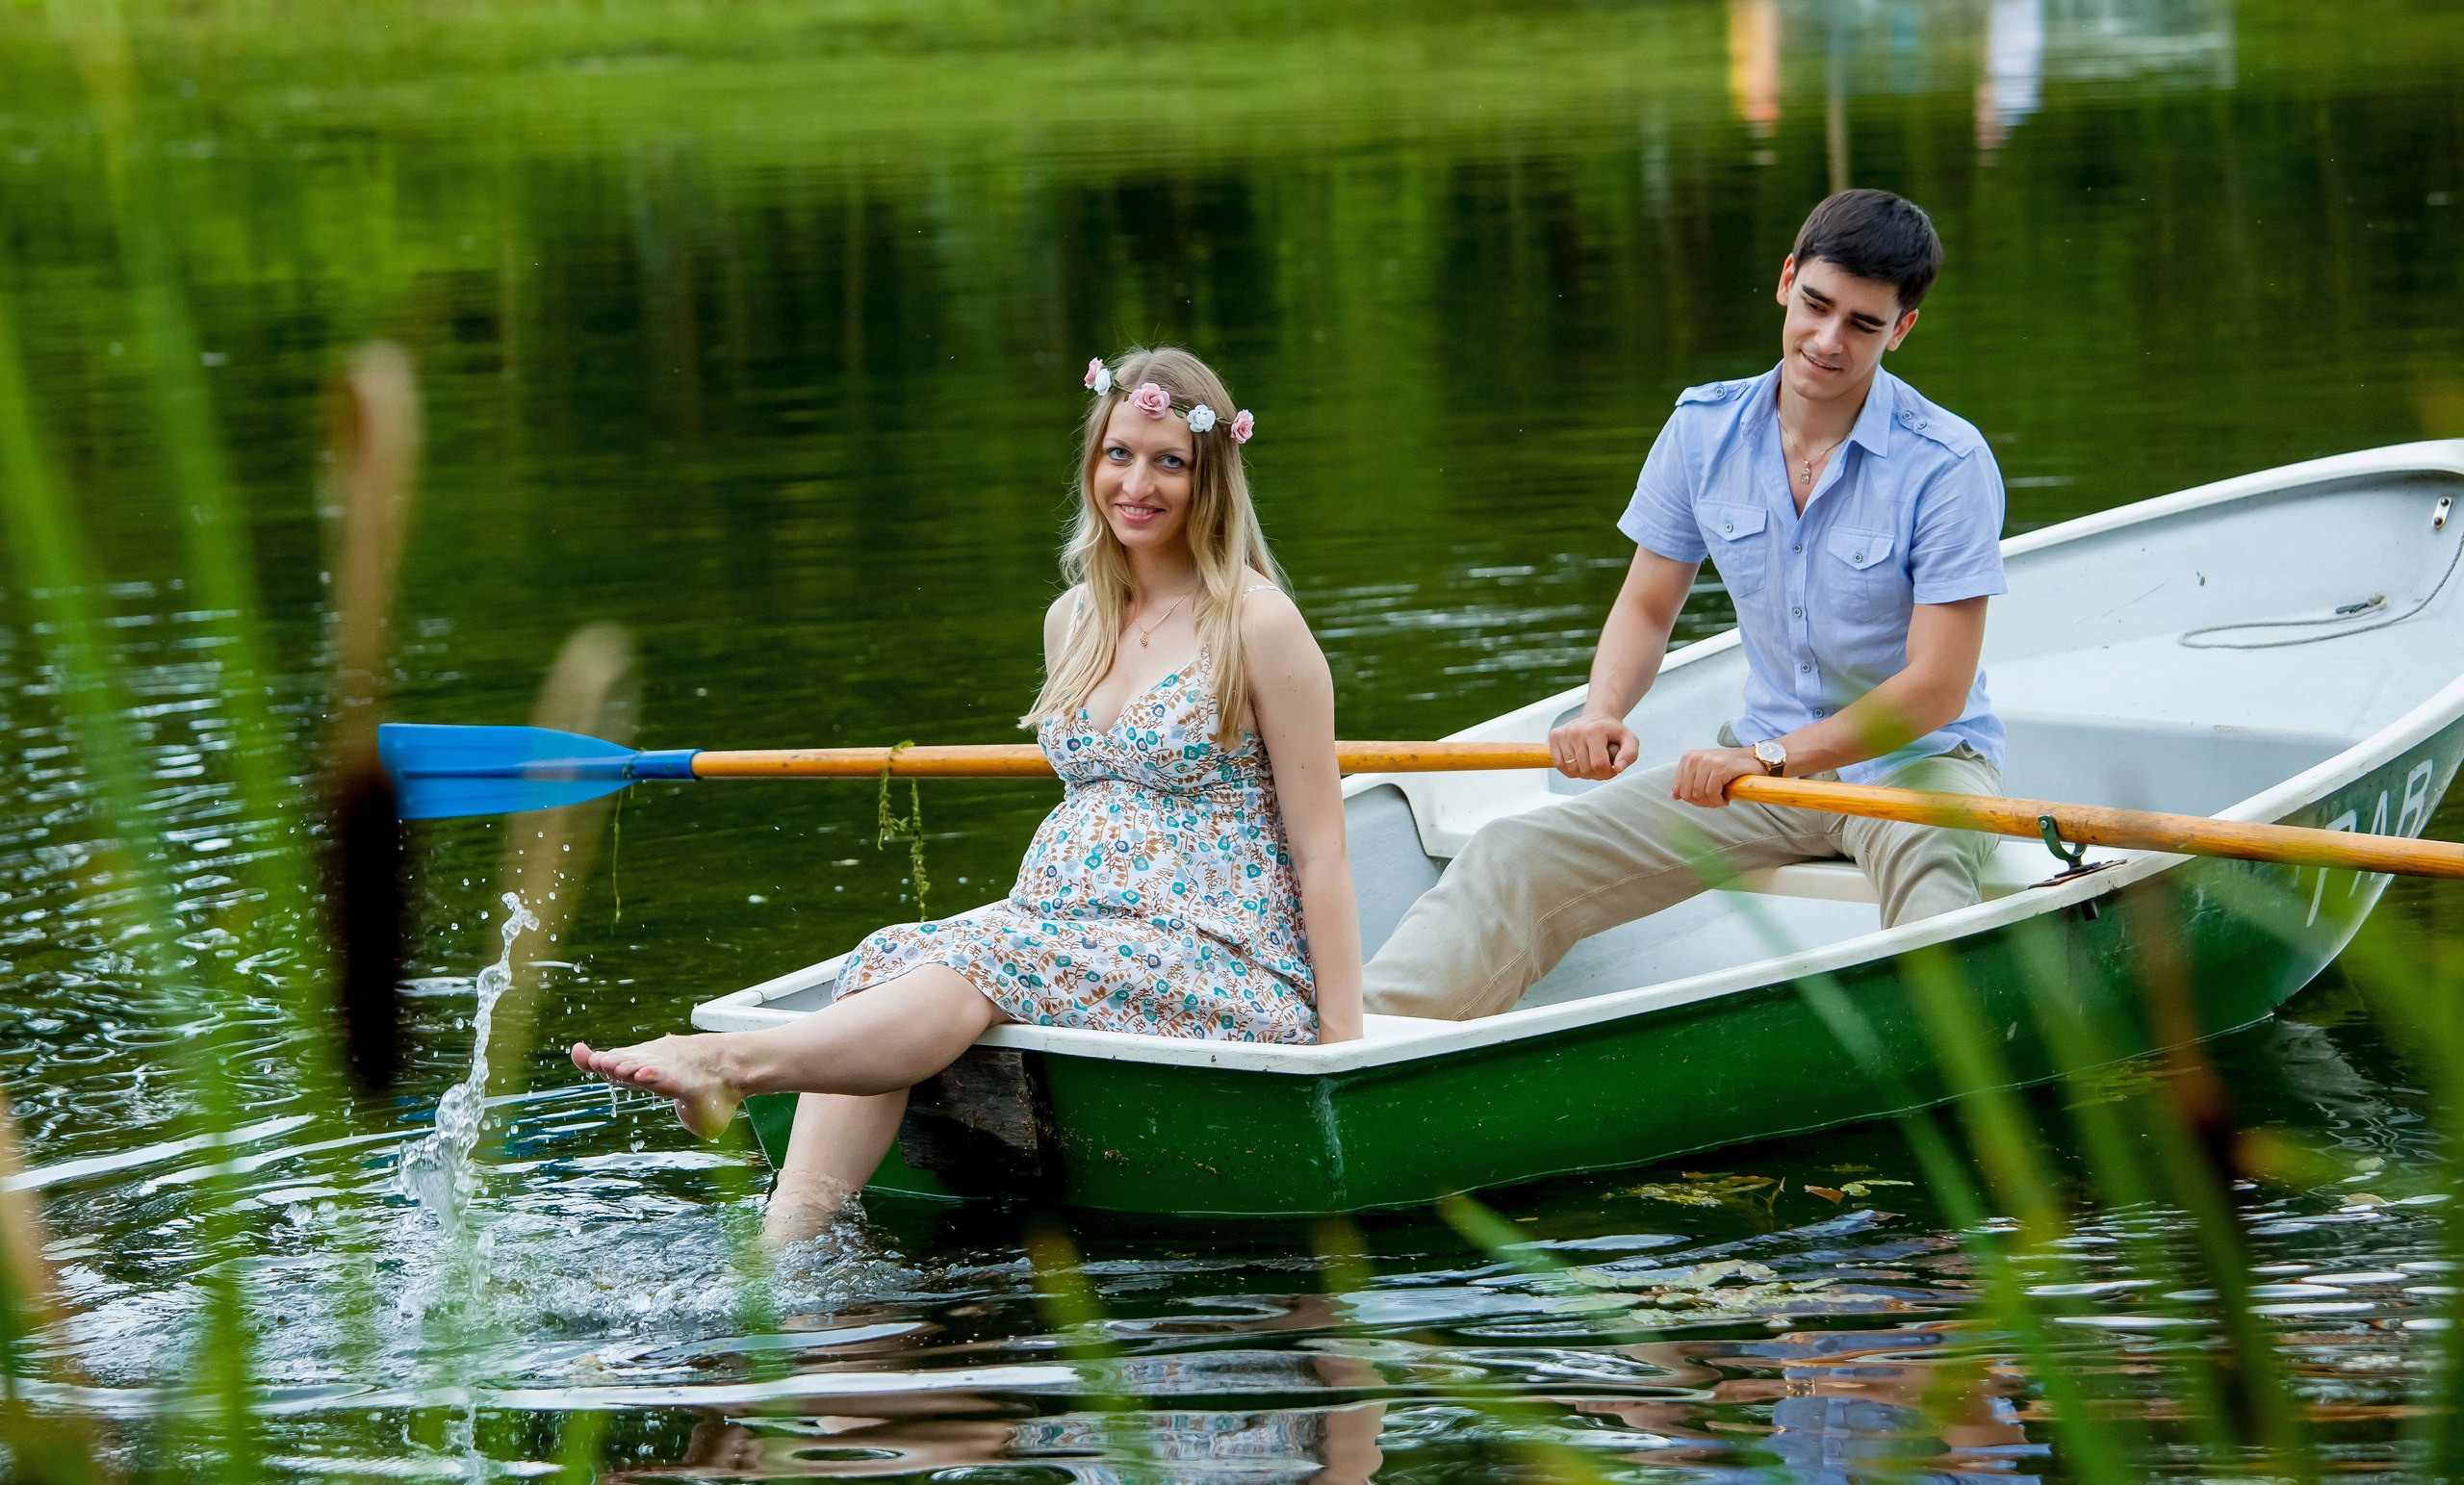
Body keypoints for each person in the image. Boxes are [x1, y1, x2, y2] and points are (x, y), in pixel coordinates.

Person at [575, 346, 1364, 1241]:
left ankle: (733, 1064)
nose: (1136, 483)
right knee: (886, 954)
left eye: (1168, 461)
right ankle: (782, 1249)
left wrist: (1342, 1049)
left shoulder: (1257, 623)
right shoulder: (1072, 619)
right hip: (1072, 933)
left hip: (1215, 955)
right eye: (1119, 454)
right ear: (1092, 460)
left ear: (1210, 478)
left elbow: (1323, 848)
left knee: (983, 958)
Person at [1364, 189, 2008, 1022]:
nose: (1827, 340)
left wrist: (1775, 757)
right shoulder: (1703, 430)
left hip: (1920, 769)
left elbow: (1937, 689)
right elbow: (1644, 608)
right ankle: (1364, 1052)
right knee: (1513, 851)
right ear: (1785, 281)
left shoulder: (1948, 461)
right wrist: (1602, 710)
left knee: (1933, 930)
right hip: (1757, 779)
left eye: (1862, 323)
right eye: (1815, 305)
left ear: (1902, 329)